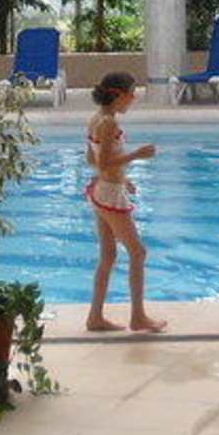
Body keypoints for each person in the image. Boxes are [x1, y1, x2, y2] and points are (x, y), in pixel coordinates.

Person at [84, 71, 166, 333]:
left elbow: (91, 158)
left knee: (108, 256)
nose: (133, 99)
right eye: (132, 94)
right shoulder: (108, 123)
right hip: (109, 195)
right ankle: (138, 317)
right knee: (138, 252)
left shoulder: (95, 119)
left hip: (102, 189)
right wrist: (136, 155)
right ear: (118, 95)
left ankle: (95, 317)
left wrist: (122, 178)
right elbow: (104, 162)